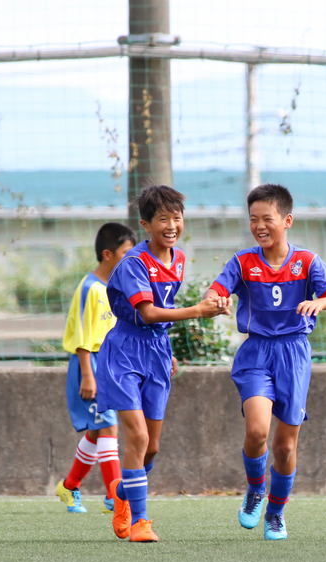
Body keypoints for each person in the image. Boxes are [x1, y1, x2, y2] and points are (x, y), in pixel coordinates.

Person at [207, 184, 326, 540]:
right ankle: (256, 488)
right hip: (256, 353)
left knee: (285, 446)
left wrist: (320, 302)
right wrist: (217, 300)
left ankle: (276, 511)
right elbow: (216, 290)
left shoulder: (307, 261)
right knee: (257, 431)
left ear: (287, 220)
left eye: (267, 219)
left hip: (294, 355)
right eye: (253, 219)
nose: (259, 226)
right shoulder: (243, 262)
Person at [97, 185, 229, 543]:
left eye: (177, 218)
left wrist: (166, 347)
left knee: (151, 447)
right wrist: (198, 311)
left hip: (156, 351)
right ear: (146, 225)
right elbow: (148, 313)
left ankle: (122, 491)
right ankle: (141, 521)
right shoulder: (134, 263)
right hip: (124, 351)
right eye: (162, 219)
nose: (172, 225)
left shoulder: (179, 259)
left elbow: (162, 315)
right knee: (137, 436)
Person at [54, 222, 136, 513]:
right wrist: (88, 375)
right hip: (92, 364)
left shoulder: (118, 287)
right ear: (107, 255)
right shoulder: (89, 288)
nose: (131, 258)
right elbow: (82, 337)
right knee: (108, 426)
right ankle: (115, 496)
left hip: (112, 365)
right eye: (126, 253)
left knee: (97, 430)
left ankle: (69, 485)